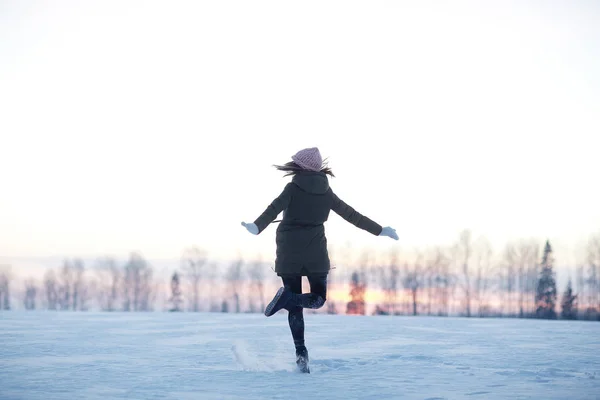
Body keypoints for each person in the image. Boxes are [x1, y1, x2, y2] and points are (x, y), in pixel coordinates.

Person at [241, 147, 398, 373]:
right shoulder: (326, 192)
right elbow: (351, 214)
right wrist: (380, 230)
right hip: (315, 250)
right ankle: (290, 303)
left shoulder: (292, 187)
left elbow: (273, 208)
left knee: (295, 308)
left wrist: (257, 226)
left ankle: (300, 352)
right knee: (317, 299)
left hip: (289, 249)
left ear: (301, 167)